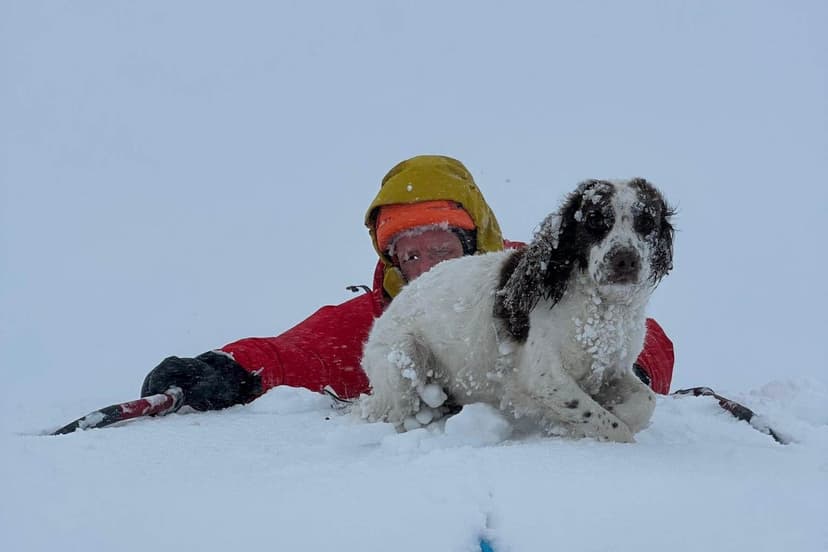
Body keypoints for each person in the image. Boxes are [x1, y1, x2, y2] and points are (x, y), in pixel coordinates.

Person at [141, 155, 675, 413]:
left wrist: (619, 376)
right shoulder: (386, 316)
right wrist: (226, 369)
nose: (425, 265)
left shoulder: (538, 280)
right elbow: (293, 353)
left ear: (473, 239)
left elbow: (643, 335)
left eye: (441, 247)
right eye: (408, 252)